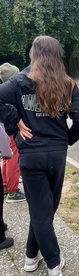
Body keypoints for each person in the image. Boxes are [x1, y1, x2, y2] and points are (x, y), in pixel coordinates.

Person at [0, 36, 79, 276]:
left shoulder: (19, 82)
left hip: (30, 154)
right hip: (55, 154)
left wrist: (16, 119)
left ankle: (31, 256)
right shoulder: (66, 84)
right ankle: (53, 263)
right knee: (45, 211)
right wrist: (65, 139)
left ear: (34, 54)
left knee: (42, 210)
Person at [0, 62, 26, 203]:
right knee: (13, 160)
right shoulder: (9, 96)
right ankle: (12, 191)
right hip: (10, 133)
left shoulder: (4, 92)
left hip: (5, 133)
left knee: (6, 159)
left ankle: (5, 186)